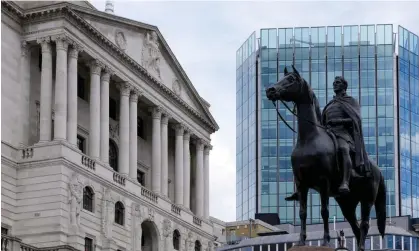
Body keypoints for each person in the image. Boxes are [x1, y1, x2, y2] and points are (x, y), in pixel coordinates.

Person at [285, 76, 370, 200]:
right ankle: (299, 189)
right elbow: (322, 121)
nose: (335, 84)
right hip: (329, 133)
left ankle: (345, 181)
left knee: (343, 149)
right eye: (334, 82)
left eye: (338, 83)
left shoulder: (350, 101)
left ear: (344, 86)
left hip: (342, 134)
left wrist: (338, 121)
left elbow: (355, 119)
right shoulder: (330, 105)